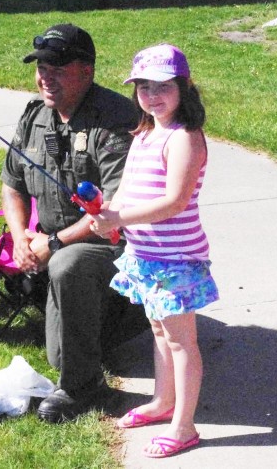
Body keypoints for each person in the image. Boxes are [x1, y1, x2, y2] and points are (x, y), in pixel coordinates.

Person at [0, 23, 148, 423]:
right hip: (58, 248)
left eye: (58, 68)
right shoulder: (35, 116)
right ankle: (92, 336)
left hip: (113, 247)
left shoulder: (116, 119)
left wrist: (54, 244)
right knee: (58, 355)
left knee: (68, 264)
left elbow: (115, 205)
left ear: (87, 70)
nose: (46, 76)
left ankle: (83, 388)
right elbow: (11, 183)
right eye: (41, 66)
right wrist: (18, 239)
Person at [88, 44, 218, 458]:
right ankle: (163, 402)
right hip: (145, 256)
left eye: (163, 86)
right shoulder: (146, 132)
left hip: (176, 259)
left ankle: (184, 426)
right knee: (160, 332)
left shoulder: (184, 137)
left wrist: (121, 219)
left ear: (184, 87)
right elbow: (125, 188)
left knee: (182, 342)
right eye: (143, 86)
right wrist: (107, 216)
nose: (152, 95)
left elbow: (175, 202)